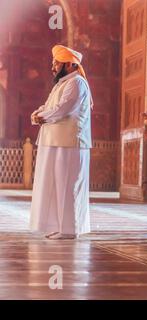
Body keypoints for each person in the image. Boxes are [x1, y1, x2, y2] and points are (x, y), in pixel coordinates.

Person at [30, 45, 92, 240]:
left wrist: (43, 117)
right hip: (57, 141)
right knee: (57, 185)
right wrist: (37, 114)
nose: (53, 67)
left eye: (56, 63)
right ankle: (60, 226)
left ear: (68, 64)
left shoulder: (77, 83)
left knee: (68, 185)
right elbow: (49, 106)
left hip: (70, 143)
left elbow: (64, 108)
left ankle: (70, 229)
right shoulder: (62, 83)